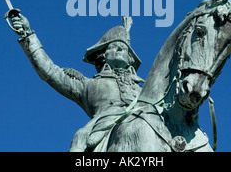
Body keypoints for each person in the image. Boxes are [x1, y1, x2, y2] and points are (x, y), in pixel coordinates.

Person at [9, 13, 144, 152]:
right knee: (80, 139)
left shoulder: (143, 90)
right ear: (103, 54)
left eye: (124, 48)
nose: (121, 49)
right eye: (114, 46)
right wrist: (28, 35)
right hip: (101, 128)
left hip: (145, 123)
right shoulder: (87, 85)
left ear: (129, 58)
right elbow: (49, 71)